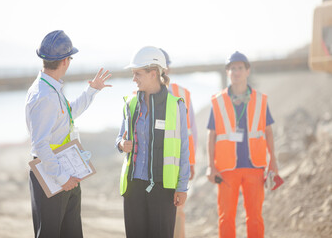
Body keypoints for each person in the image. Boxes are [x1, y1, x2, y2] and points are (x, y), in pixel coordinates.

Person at [25, 30, 111, 238]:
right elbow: (41, 145)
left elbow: (68, 114)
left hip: (65, 173)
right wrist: (63, 178)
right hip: (54, 175)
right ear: (65, 61)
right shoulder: (44, 95)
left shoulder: (51, 89)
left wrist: (91, 91)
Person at [116, 46, 190, 238]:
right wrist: (121, 144)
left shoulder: (176, 106)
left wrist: (182, 187)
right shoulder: (130, 103)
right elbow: (120, 136)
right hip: (133, 186)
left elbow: (183, 149)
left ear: (154, 73)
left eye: (137, 73)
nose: (134, 78)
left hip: (162, 188)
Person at [206, 51, 278, 238]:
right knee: (226, 218)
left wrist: (273, 162)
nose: (236, 72)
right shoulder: (218, 101)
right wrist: (211, 166)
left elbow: (268, 132)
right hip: (226, 169)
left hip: (254, 167)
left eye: (239, 68)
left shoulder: (261, 100)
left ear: (247, 71)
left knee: (255, 217)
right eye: (232, 68)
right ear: (227, 72)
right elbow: (211, 135)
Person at [160, 48, 197, 238]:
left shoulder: (183, 94)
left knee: (178, 211)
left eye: (164, 65)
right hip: (154, 166)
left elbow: (191, 131)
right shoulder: (138, 92)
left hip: (176, 163)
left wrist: (191, 163)